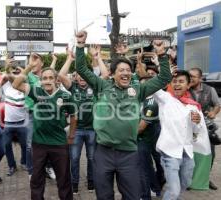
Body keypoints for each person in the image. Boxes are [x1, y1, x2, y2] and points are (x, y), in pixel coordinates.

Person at [75, 31, 172, 200]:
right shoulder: (102, 86)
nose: (126, 73)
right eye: (121, 70)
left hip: (129, 153)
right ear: (112, 74)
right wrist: (80, 45)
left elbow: (164, 78)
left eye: (128, 70)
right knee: (104, 196)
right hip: (103, 152)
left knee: (132, 195)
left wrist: (162, 54)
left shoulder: (139, 90)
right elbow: (81, 68)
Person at [10, 54, 77, 200]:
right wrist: (29, 67)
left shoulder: (66, 96)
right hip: (39, 143)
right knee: (36, 180)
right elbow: (15, 84)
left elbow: (74, 116)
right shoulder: (37, 91)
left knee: (64, 180)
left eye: (50, 78)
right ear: (41, 81)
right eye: (44, 78)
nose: (47, 81)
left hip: (59, 143)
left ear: (56, 80)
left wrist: (71, 136)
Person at [154, 70, 204, 199]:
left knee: (185, 183)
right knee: (174, 191)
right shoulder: (165, 99)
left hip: (187, 151)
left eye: (181, 81)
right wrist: (163, 67)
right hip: (169, 152)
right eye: (174, 81)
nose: (177, 84)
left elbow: (196, 131)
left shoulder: (193, 106)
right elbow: (153, 86)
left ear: (188, 85)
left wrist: (197, 122)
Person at [58, 49, 96, 194]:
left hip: (92, 130)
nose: (82, 77)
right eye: (79, 74)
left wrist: (95, 58)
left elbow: (104, 75)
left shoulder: (95, 86)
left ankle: (91, 182)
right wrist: (69, 59)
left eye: (84, 74)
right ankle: (74, 184)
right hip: (77, 130)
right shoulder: (72, 87)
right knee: (74, 158)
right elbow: (60, 75)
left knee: (92, 158)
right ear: (75, 76)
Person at [189, 67, 220, 190]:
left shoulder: (209, 90)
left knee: (209, 154)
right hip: (190, 129)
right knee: (190, 154)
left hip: (206, 129)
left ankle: (205, 178)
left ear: (200, 78)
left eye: (193, 76)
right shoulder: (185, 90)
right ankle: (190, 179)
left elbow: (218, 105)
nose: (191, 78)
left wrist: (214, 112)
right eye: (189, 76)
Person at [1, 64, 28, 176]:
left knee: (25, 145)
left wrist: (22, 70)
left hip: (22, 122)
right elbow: (6, 74)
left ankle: (24, 162)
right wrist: (8, 66)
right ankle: (12, 166)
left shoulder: (25, 86)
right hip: (8, 123)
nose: (16, 75)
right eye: (15, 73)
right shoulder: (6, 85)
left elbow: (26, 75)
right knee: (6, 145)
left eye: (18, 74)